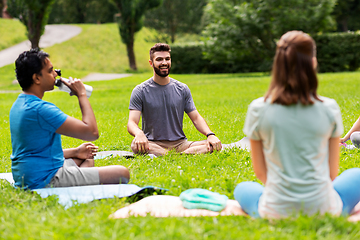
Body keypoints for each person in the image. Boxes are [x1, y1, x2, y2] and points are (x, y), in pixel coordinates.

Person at [233, 31, 360, 219]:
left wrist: (286, 196)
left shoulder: (257, 109)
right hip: (324, 209)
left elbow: (260, 172)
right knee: (357, 175)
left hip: (275, 209)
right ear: (313, 62)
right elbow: (332, 173)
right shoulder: (329, 108)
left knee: (243, 188)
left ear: (278, 63)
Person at [10, 49, 130, 190]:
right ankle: (78, 179)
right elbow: (91, 132)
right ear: (37, 78)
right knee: (122, 173)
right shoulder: (41, 110)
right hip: (45, 178)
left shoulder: (19, 104)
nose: (56, 74)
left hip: (27, 175)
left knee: (85, 157)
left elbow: (36, 151)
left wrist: (75, 151)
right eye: (50, 71)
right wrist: (82, 94)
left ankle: (79, 177)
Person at [127, 43, 222, 156]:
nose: (164, 63)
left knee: (214, 144)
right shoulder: (140, 90)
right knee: (135, 145)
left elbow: (196, 118)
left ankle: (171, 155)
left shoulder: (182, 89)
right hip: (153, 144)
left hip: (181, 144)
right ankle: (182, 156)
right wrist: (139, 134)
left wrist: (210, 134)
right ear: (151, 63)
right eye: (159, 59)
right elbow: (132, 122)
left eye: (167, 59)